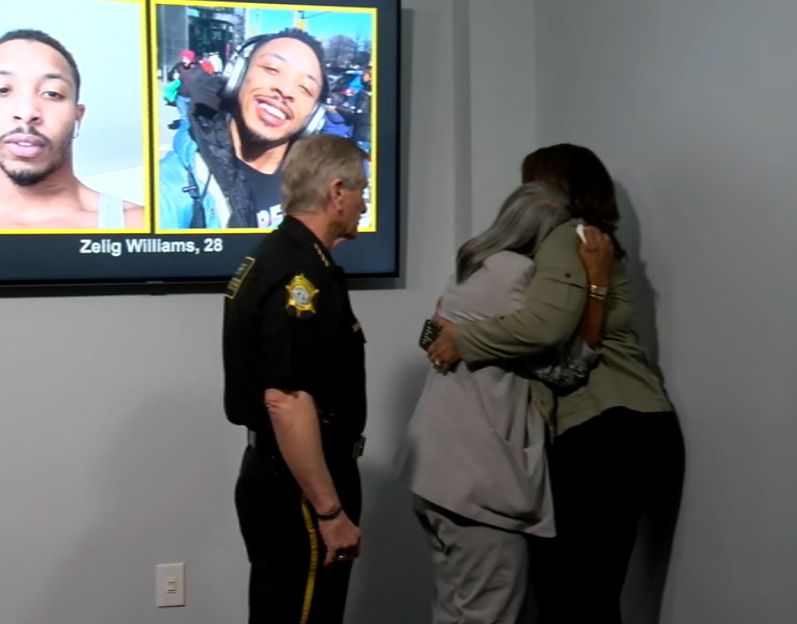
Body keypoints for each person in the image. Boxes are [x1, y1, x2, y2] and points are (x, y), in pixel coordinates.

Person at [427, 144, 684, 624]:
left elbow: (545, 333)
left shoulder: (565, 237)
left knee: (575, 596)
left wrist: (464, 340)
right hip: (626, 426)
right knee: (582, 594)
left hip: (603, 427)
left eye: (531, 182)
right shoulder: (569, 246)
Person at [401, 181, 615, 624]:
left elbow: (436, 334)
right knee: (491, 614)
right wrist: (596, 286)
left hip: (435, 474)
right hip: (479, 484)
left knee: (453, 608)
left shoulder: (471, 267)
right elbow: (566, 370)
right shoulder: (519, 280)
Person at [223, 135, 369, 623]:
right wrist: (329, 513)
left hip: (285, 476)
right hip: (299, 487)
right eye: (361, 190)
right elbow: (286, 399)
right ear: (337, 192)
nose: (365, 203)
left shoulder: (281, 255)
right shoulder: (299, 276)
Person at [0, 29, 143, 230]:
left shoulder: (148, 226)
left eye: (52, 93)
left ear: (78, 116)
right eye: (1, 90)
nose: (26, 113)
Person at [159, 29, 330, 230]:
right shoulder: (174, 184)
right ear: (237, 74)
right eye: (272, 69)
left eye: (305, 88)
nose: (285, 91)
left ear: (313, 116)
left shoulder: (318, 184)